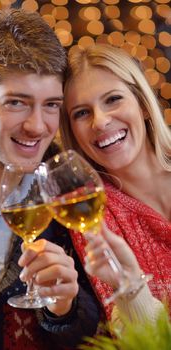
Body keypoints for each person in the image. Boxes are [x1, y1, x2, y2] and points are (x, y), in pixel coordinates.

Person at [0, 10, 101, 350]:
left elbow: (92, 334)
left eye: (51, 105)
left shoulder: (73, 196)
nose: (38, 126)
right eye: (16, 103)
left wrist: (64, 308)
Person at [60, 44, 171, 327]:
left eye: (113, 99)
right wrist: (132, 287)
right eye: (82, 113)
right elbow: (137, 341)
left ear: (144, 105)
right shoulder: (91, 215)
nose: (101, 121)